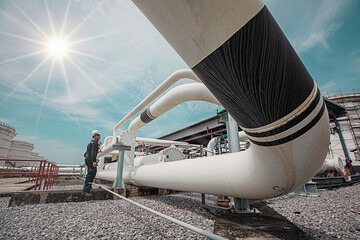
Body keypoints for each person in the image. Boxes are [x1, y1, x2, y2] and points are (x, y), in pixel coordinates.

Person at [82, 130, 101, 197]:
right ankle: (86, 190)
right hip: (90, 160)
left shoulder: (91, 143)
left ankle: (88, 188)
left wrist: (98, 145)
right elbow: (93, 153)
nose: (99, 137)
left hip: (87, 159)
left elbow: (86, 153)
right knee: (91, 174)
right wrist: (94, 161)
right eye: (99, 135)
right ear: (96, 136)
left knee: (92, 173)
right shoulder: (94, 143)